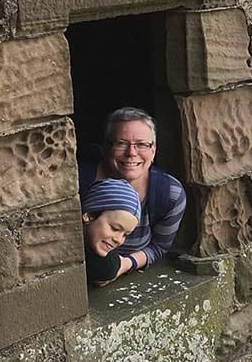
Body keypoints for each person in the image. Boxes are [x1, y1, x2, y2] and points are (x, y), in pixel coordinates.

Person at [78, 107, 187, 275]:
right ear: (106, 147)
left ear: (153, 151)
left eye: (142, 145)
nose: (131, 153)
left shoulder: (169, 194)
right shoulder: (79, 182)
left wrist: (125, 265)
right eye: (121, 143)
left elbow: (159, 246)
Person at [81, 178, 142, 286]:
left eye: (125, 235)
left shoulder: (106, 265)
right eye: (115, 228)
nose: (118, 240)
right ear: (89, 215)